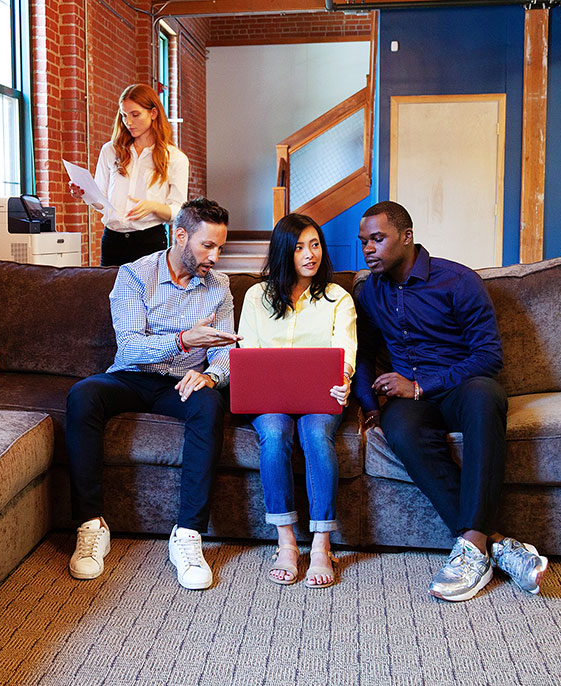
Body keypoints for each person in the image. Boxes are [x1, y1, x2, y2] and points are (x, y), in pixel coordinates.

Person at [352, 200, 549, 602]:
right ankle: (496, 545)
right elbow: (363, 353)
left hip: (460, 386)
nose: (368, 249)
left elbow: (489, 356)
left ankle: (472, 547)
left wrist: (421, 385)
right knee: (399, 427)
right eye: (363, 242)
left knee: (485, 397)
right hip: (410, 400)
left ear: (406, 237)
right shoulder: (370, 292)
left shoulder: (457, 281)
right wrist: (370, 408)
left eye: (377, 239)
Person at [65, 197, 240, 590]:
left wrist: (212, 376)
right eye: (207, 245)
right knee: (83, 395)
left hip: (181, 382)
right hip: (131, 376)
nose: (215, 255)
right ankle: (92, 525)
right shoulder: (134, 275)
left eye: (220, 247)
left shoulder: (220, 287)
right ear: (181, 236)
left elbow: (227, 351)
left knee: (210, 403)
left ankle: (188, 535)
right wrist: (182, 339)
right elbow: (128, 347)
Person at [236, 214, 356, 589]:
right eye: (300, 247)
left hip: (320, 397)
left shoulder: (338, 298)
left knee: (316, 435)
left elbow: (345, 351)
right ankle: (286, 542)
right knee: (274, 432)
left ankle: (321, 545)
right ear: (284, 252)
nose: (310, 254)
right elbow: (247, 351)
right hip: (268, 398)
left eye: (315, 244)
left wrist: (344, 379)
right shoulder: (257, 296)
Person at [69, 83, 189, 266]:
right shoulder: (110, 150)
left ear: (153, 113)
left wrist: (153, 206)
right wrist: (85, 194)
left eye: (135, 114)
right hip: (112, 241)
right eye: (124, 115)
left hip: (149, 241)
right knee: (109, 293)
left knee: (148, 295)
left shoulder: (175, 158)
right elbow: (101, 201)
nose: (129, 122)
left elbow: (179, 211)